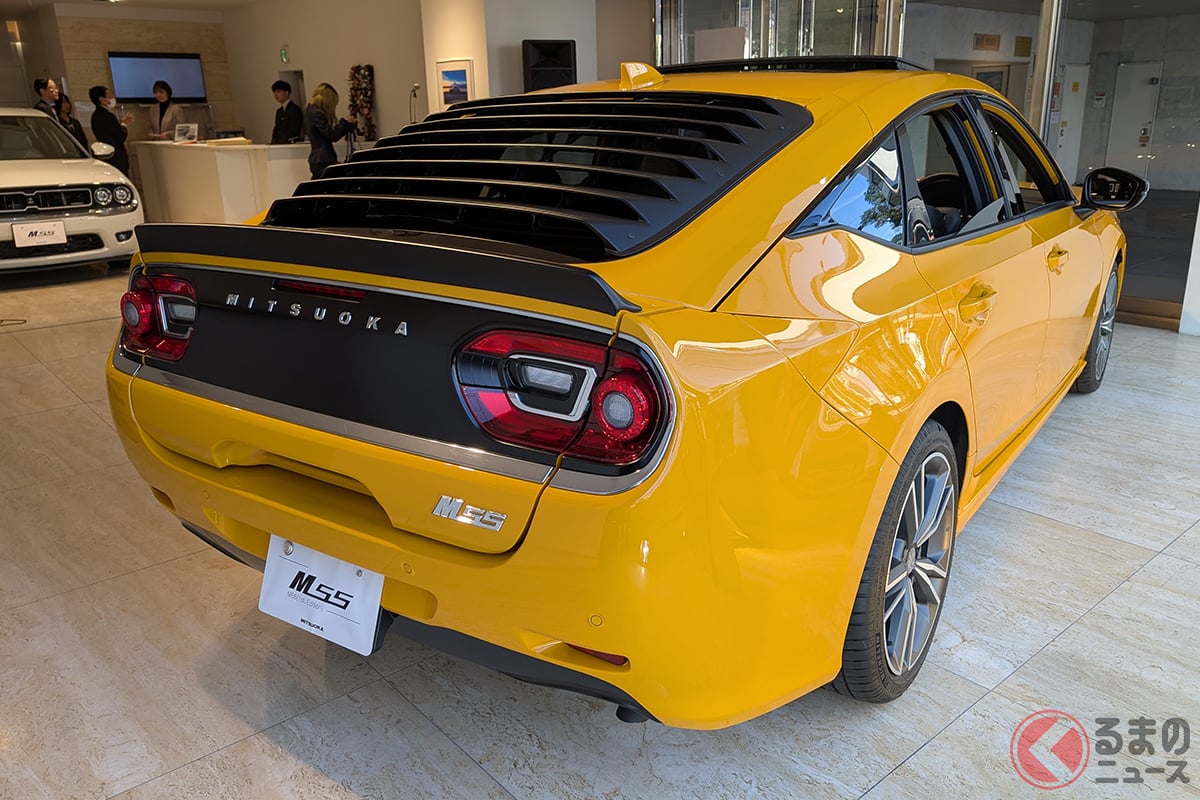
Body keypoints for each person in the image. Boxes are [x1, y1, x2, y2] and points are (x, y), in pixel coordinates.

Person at [303, 82, 355, 179]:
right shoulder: (317, 114)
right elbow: (332, 136)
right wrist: (344, 123)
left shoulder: (309, 111)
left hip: (317, 159)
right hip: (323, 159)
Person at [89, 85, 134, 174]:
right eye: (108, 96)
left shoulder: (95, 115)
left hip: (106, 156)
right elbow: (120, 136)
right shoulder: (107, 115)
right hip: (116, 157)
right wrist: (124, 124)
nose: (112, 98)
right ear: (101, 99)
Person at [270, 79, 303, 144]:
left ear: (286, 92)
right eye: (274, 92)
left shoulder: (294, 109)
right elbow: (276, 129)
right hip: (279, 144)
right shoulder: (279, 111)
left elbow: (294, 130)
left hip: (290, 143)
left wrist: (281, 140)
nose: (276, 94)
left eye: (278, 91)